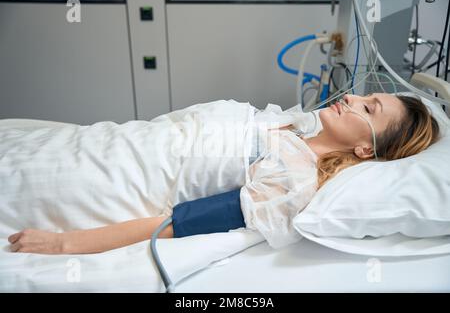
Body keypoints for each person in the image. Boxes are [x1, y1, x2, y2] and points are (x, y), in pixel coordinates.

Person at [7, 93, 440, 254]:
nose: (353, 97)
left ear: (366, 149)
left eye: (369, 109)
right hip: (106, 143)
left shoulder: (292, 180)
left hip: (95, 180)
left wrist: (64, 243)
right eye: (365, 94)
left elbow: (181, 222)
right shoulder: (285, 123)